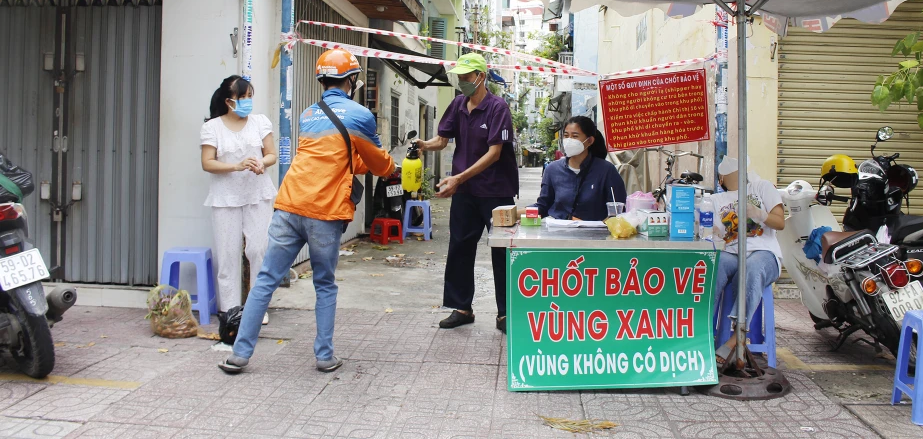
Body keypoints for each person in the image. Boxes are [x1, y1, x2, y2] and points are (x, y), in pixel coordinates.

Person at [219, 49, 396, 374]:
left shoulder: (308, 114)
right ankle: (324, 356)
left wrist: (360, 162)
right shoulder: (359, 114)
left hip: (289, 204)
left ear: (322, 80)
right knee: (324, 284)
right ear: (351, 80)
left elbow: (331, 157)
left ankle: (238, 355)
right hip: (324, 211)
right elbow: (377, 164)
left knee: (265, 280)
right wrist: (390, 165)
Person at [414, 53, 519, 334]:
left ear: (481, 76)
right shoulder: (459, 104)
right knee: (460, 246)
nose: (461, 82)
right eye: (459, 77)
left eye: (466, 77)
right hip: (465, 191)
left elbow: (495, 153)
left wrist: (458, 178)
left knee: (502, 251)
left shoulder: (498, 108)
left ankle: (506, 313)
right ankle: (461, 308)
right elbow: (442, 139)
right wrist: (424, 144)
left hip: (496, 191)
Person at [200, 76, 277, 323]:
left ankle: (257, 308)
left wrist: (261, 163)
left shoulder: (260, 122)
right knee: (227, 254)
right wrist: (236, 166)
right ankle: (230, 310)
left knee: (259, 249)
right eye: (242, 97)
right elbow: (207, 163)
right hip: (225, 197)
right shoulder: (212, 127)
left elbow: (271, 154)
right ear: (228, 101)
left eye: (249, 96)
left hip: (258, 193)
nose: (247, 101)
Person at [710, 156, 784, 368]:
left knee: (751, 267)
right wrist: (712, 232)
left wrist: (760, 214)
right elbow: (713, 231)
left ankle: (737, 336)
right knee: (713, 267)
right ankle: (701, 330)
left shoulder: (762, 187)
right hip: (732, 253)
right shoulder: (715, 200)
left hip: (764, 253)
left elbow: (780, 223)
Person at [535, 117, 626, 221]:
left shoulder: (606, 170)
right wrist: (518, 213)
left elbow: (618, 210)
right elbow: (543, 206)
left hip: (595, 230)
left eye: (575, 136)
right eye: (566, 136)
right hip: (560, 229)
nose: (569, 140)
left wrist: (600, 225)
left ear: (590, 141)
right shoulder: (552, 169)